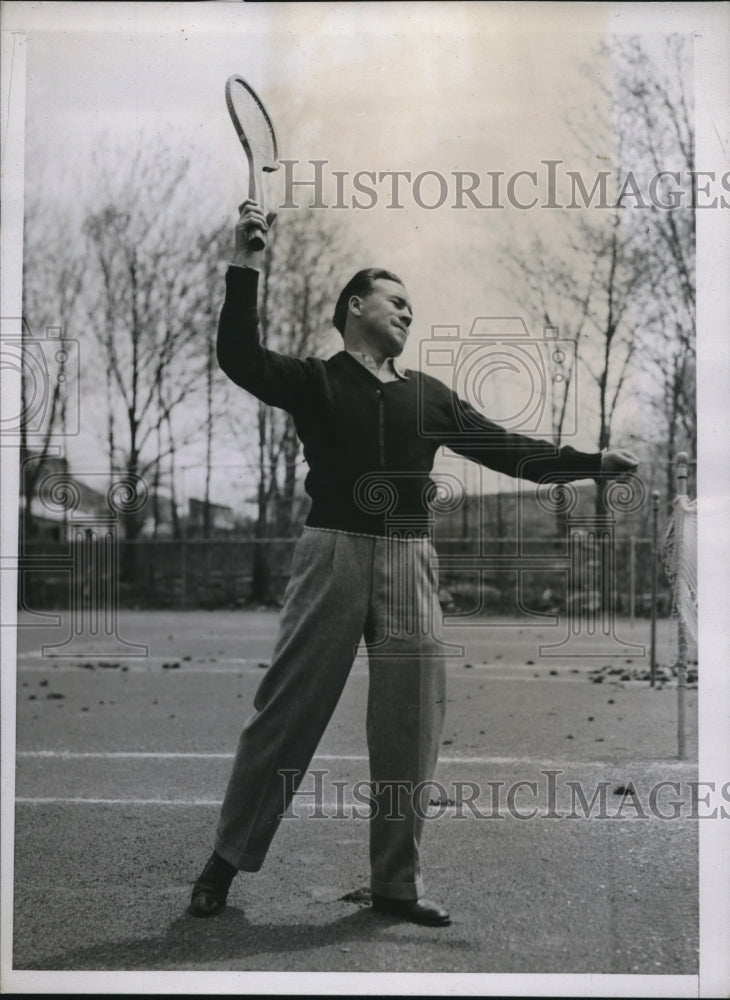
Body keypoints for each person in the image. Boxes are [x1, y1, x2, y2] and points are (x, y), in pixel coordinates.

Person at [188, 200, 639, 926]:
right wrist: (247, 262)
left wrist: (590, 463)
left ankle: (396, 884)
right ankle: (224, 861)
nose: (407, 311)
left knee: (411, 724)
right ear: (354, 305)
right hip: (331, 553)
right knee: (287, 713)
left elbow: (506, 449)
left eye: (410, 305)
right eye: (394, 299)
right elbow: (239, 357)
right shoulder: (315, 379)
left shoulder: (427, 395)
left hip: (409, 564)